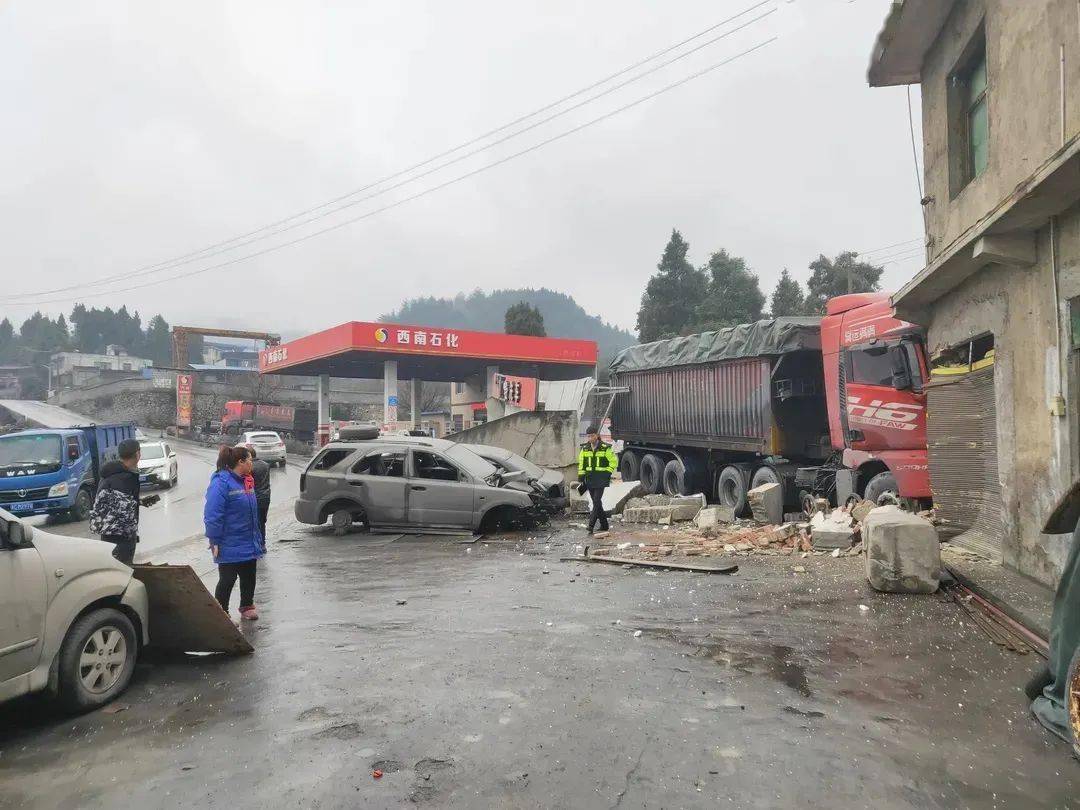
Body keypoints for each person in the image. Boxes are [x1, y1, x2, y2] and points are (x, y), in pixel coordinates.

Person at [204, 445, 265, 620]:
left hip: (248, 538)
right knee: (227, 579)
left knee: (249, 575)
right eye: (250, 461)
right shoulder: (221, 483)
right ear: (240, 462)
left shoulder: (246, 480)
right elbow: (212, 514)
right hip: (228, 541)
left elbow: (253, 511)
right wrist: (214, 541)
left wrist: (258, 537)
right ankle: (221, 614)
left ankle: (247, 605)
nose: (251, 464)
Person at [90, 438, 159, 564]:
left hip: (107, 536)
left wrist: (138, 502)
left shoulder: (109, 474)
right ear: (137, 454)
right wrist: (131, 536)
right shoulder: (126, 478)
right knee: (121, 575)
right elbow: (123, 514)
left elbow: (112, 503)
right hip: (121, 539)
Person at [577, 422, 618, 538]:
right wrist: (581, 476)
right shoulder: (584, 449)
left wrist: (607, 473)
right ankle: (604, 525)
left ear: (597, 435)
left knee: (596, 500)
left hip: (601, 479)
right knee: (597, 502)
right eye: (588, 436)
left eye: (592, 436)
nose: (590, 438)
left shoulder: (605, 448)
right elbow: (581, 463)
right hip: (589, 479)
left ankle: (591, 525)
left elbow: (613, 462)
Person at [249, 447, 272, 543]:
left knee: (256, 522)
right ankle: (262, 542)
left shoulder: (250, 467)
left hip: (256, 497)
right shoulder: (266, 465)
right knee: (262, 521)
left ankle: (259, 543)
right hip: (266, 496)